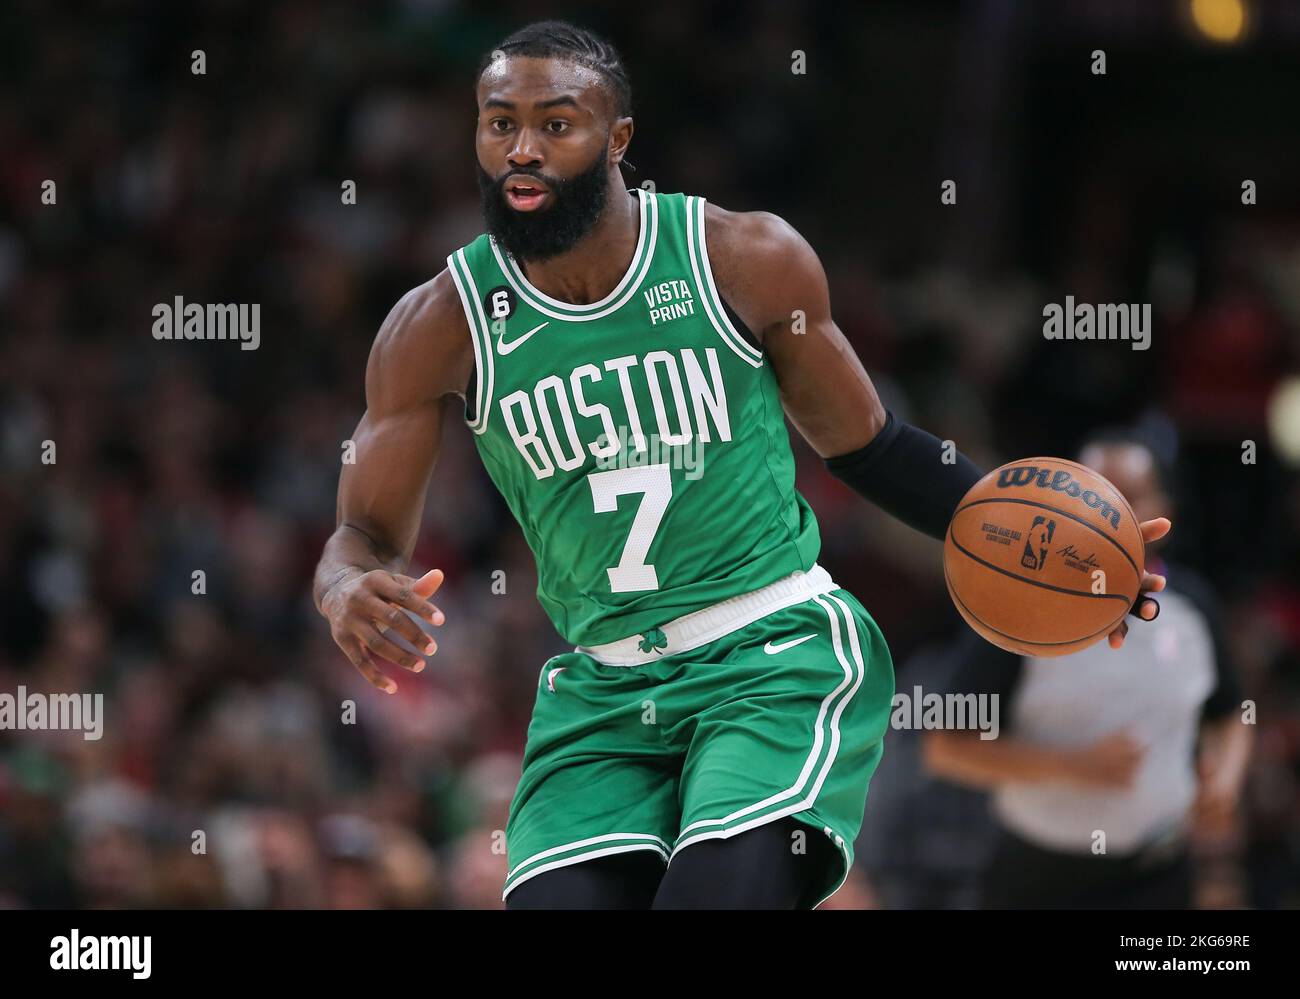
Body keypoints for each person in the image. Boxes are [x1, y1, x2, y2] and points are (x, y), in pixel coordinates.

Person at [311, 20, 1166, 909]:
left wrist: (1068, 553)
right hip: (604, 691)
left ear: (617, 138)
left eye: (556, 124)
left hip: (771, 655)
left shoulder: (739, 257)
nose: (523, 149)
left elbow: (868, 446)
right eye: (499, 124)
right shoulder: (438, 324)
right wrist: (346, 591)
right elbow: (360, 534)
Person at [924, 431, 1251, 908]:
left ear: (1164, 509)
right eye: (1101, 497)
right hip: (1042, 874)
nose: (1114, 516)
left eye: (1131, 497)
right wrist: (1070, 766)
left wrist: (1225, 781)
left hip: (1159, 868)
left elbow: (1232, 715)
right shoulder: (1022, 606)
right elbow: (943, 750)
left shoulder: (1195, 605)